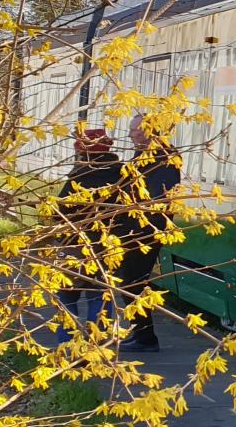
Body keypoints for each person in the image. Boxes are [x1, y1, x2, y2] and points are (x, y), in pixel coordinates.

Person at [117, 115, 181, 353]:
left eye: (136, 131)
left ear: (150, 131)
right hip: (134, 228)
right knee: (130, 280)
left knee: (132, 280)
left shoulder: (165, 158)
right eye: (131, 130)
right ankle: (141, 334)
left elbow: (157, 198)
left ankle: (145, 338)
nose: (131, 135)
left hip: (146, 231)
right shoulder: (144, 154)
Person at [56, 127, 121, 345]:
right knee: (99, 296)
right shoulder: (123, 174)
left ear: (83, 153)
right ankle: (97, 345)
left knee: (65, 296)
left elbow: (60, 213)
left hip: (76, 247)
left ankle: (67, 346)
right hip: (107, 248)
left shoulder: (79, 177)